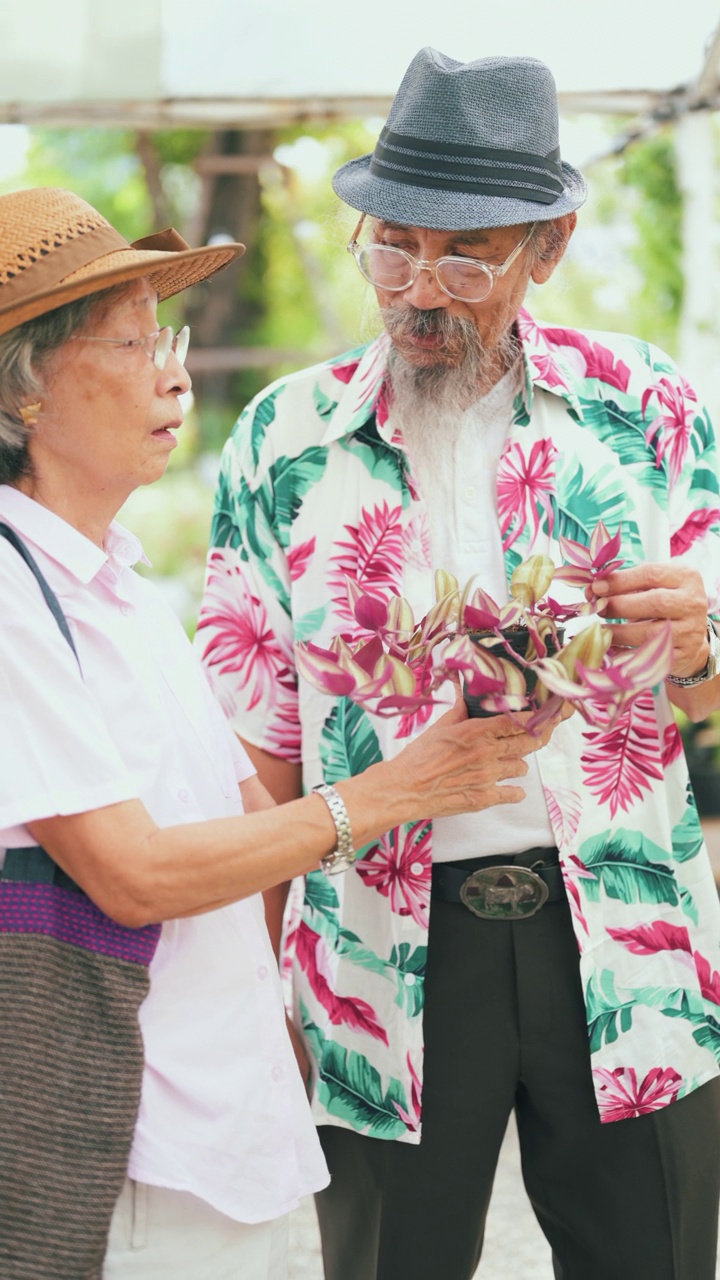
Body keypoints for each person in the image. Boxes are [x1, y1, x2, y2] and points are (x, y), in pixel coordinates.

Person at [197, 48, 720, 1280]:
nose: (419, 289)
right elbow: (255, 748)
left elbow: (702, 684)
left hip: (629, 941)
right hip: (378, 947)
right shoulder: (284, 441)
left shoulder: (647, 406)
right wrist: (258, 993)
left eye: (467, 255)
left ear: (551, 245)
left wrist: (702, 642)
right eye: (393, 245)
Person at [0, 185, 556, 1280]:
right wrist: (399, 787)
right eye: (130, 341)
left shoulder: (108, 585)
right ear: (23, 391)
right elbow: (132, 871)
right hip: (122, 1145)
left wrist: (287, 1006)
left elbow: (243, 816)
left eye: (169, 334)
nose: (171, 370)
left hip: (215, 1133)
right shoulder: (15, 596)